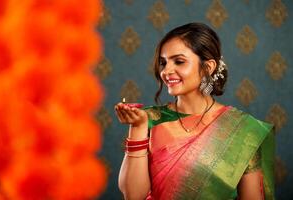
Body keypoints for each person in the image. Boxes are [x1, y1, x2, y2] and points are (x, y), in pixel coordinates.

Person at [115, 22, 275, 200]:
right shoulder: (150, 119)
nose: (166, 71)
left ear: (208, 67)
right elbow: (133, 196)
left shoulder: (242, 130)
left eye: (179, 61)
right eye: (163, 63)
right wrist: (137, 127)